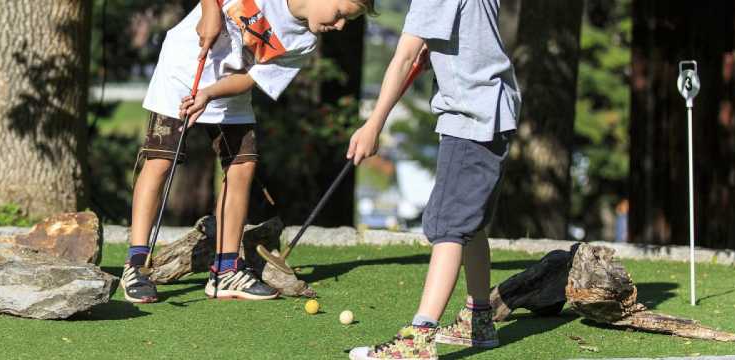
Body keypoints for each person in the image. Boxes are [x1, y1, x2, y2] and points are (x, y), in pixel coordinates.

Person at [121, 0, 375, 303]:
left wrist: (209, 94)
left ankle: (225, 271)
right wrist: (211, 11)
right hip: (183, 69)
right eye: (341, 15)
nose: (341, 26)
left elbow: (252, 78)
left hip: (228, 89)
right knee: (161, 161)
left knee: (242, 166)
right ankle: (136, 263)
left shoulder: (303, 42)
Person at [345, 0, 521, 358]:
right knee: (470, 224)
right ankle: (478, 319)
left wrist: (373, 124)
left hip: (470, 119)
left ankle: (418, 339)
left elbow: (406, 56)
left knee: (447, 226)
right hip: (494, 112)